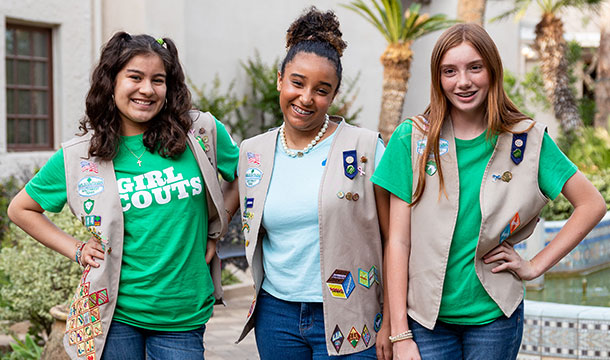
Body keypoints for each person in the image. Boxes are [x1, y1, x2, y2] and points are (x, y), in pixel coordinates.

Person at [371, 23, 606, 360]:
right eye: (449, 71)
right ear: (438, 78)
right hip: (424, 321)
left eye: (474, 68)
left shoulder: (526, 141)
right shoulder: (411, 140)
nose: (462, 81)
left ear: (492, 71)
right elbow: (397, 241)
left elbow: (591, 203)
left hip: (495, 320)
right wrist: (399, 332)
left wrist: (535, 265)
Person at [7, 32, 239, 360]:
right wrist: (76, 250)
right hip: (113, 316)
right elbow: (21, 209)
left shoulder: (199, 133)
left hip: (181, 315)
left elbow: (243, 175)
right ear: (111, 81)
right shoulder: (81, 155)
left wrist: (217, 229)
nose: (147, 89)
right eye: (135, 77)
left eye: (158, 80)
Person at [233, 7, 392, 360]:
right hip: (277, 317)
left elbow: (395, 238)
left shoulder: (365, 148)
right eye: (297, 82)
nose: (306, 98)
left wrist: (392, 321)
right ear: (280, 79)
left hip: (352, 314)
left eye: (322, 90)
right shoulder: (253, 153)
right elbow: (222, 201)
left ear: (333, 95)